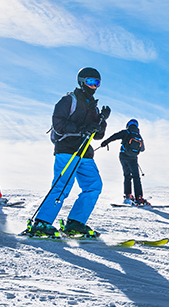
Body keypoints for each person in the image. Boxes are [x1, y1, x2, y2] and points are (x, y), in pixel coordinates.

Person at [27, 67, 110, 238]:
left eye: (97, 83)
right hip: (67, 149)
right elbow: (58, 124)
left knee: (94, 186)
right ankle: (42, 223)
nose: (94, 86)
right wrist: (81, 129)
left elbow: (98, 135)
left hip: (85, 153)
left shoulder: (93, 107)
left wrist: (102, 120)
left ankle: (75, 223)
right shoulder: (68, 100)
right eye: (90, 82)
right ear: (81, 81)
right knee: (63, 185)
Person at [100, 119, 148, 206]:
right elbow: (142, 149)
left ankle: (128, 196)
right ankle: (139, 197)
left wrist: (105, 142)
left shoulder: (126, 132)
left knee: (127, 175)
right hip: (133, 158)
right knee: (136, 177)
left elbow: (115, 136)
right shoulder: (139, 136)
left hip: (123, 156)